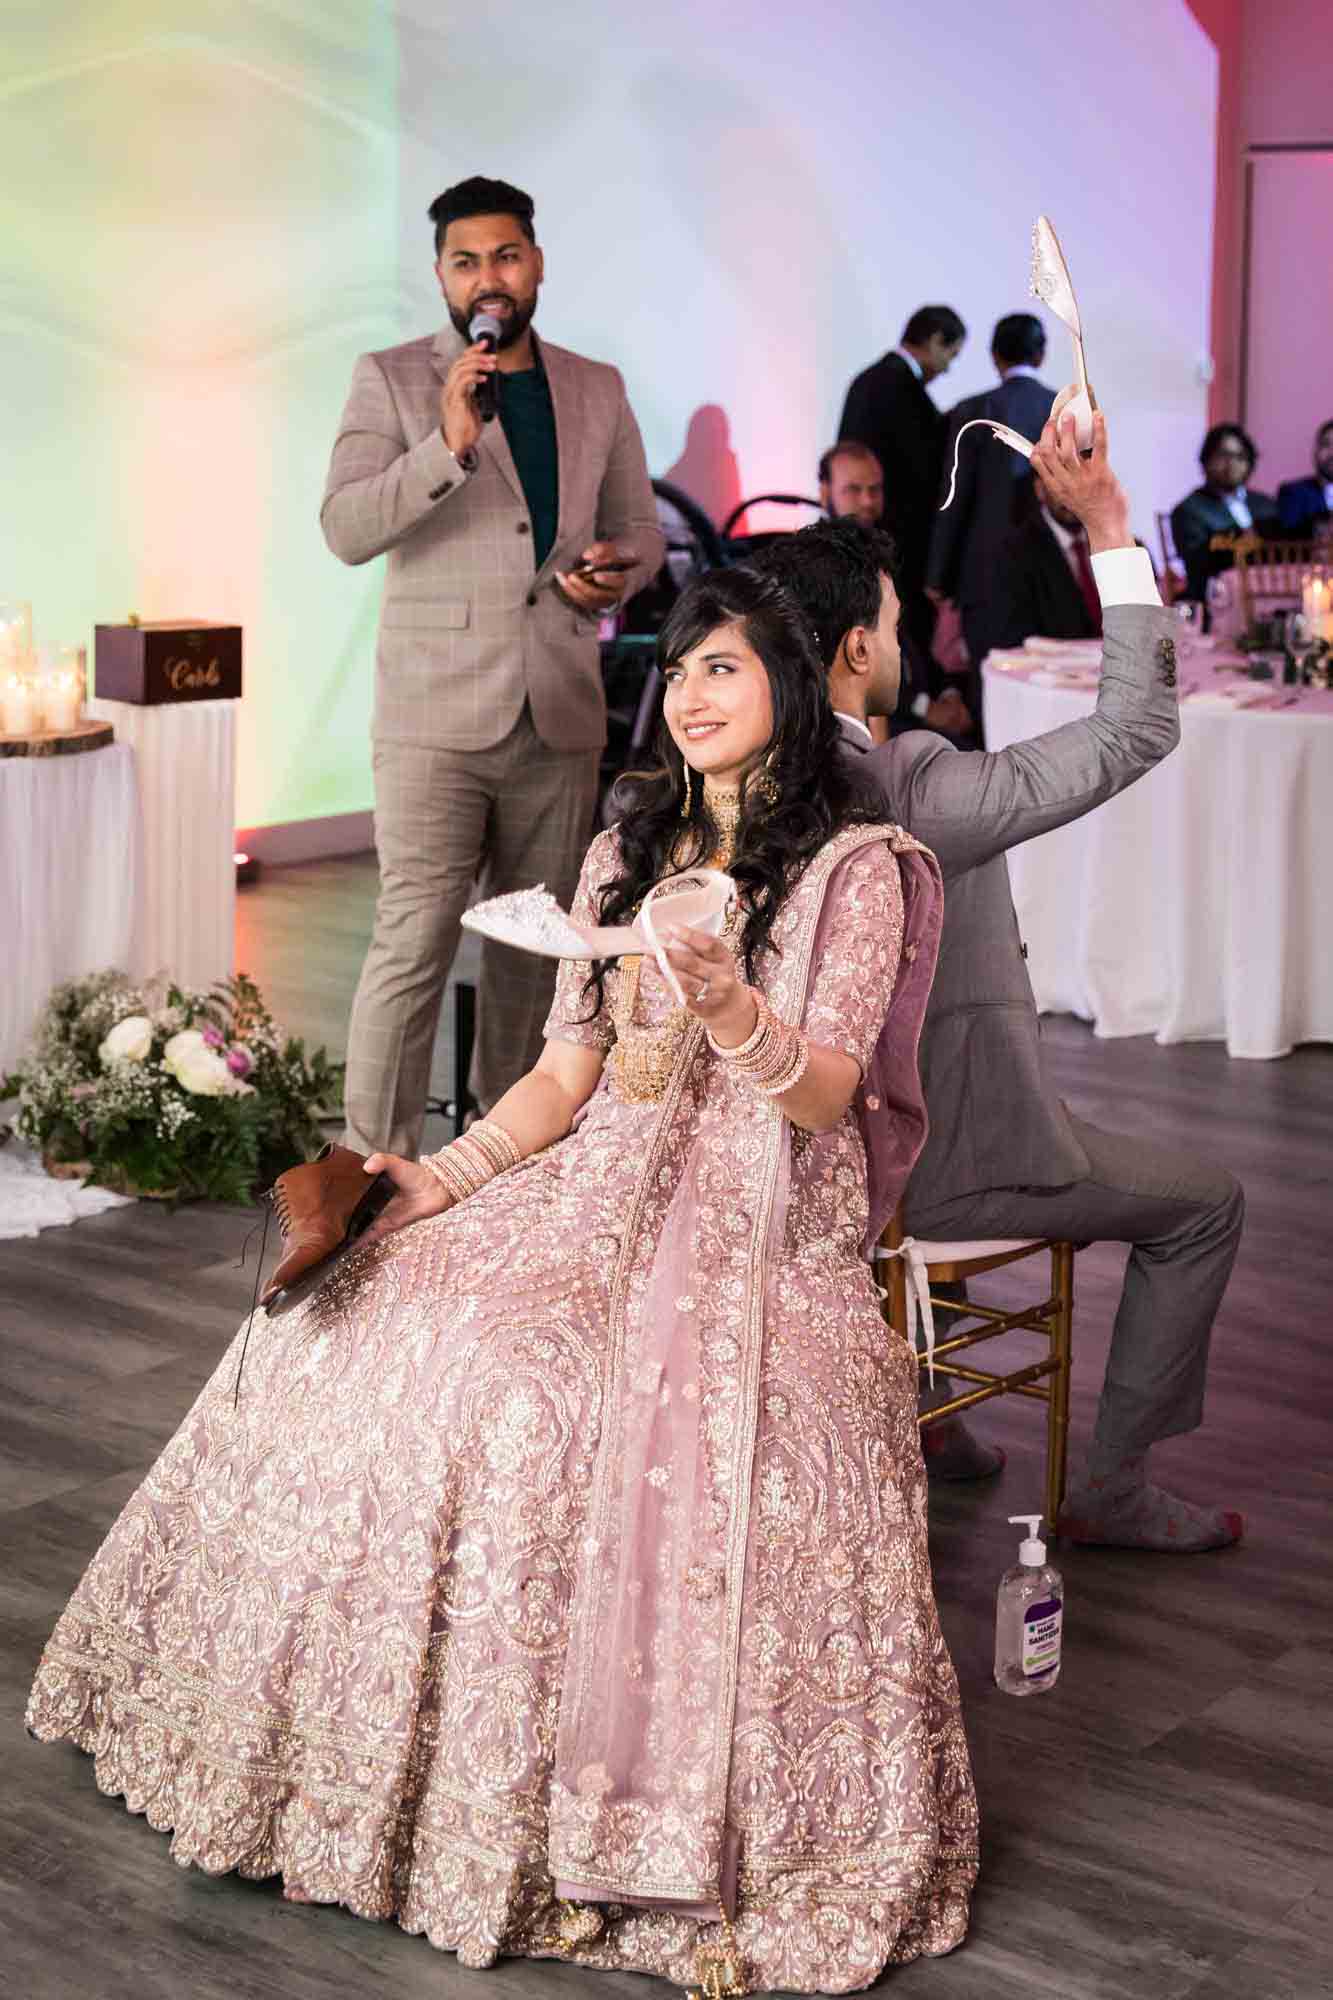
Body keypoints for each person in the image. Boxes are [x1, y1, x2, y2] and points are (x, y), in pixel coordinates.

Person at [28, 567, 978, 1994]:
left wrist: (729, 1006)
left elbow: (826, 1097)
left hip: (755, 1221)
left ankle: (572, 1820)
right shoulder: (622, 851)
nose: (700, 696)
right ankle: (309, 1763)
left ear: (789, 684)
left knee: (533, 1397)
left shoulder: (857, 870)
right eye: (683, 671)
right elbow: (564, 1073)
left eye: (729, 668)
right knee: (356, 1314)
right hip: (595, 1185)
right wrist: (442, 1179)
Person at [758, 412, 1247, 1553]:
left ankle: (931, 1414)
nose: (900, 637)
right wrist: (1112, 526)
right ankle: (1111, 1486)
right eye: (887, 622)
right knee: (1205, 1202)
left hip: (789, 1158)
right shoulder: (911, 784)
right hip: (923, 1166)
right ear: (852, 654)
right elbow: (1135, 727)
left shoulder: (730, 779)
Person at [322, 175, 664, 1156]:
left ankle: (497, 1166)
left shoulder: (596, 386)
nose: (489, 276)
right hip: (434, 717)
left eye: (506, 255)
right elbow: (345, 528)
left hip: (557, 711)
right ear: (440, 274)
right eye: (466, 260)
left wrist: (619, 571)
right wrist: (446, 442)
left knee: (535, 955)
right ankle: (371, 1170)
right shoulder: (390, 379)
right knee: (413, 942)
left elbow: (638, 526)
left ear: (538, 263)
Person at [838, 305, 967, 722]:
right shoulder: (898, 388)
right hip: (895, 547)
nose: (948, 369)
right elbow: (921, 474)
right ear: (933, 342)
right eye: (951, 354)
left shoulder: (872, 380)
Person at [927, 312, 1058, 683]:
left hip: (982, 575)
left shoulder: (972, 412)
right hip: (1052, 573)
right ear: (1041, 355)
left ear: (995, 356)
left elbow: (953, 497)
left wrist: (937, 573)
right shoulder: (1062, 410)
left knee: (990, 688)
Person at [821, 441, 970, 741]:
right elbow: (850, 670)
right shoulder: (819, 568)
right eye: (853, 490)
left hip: (917, 705)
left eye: (875, 490)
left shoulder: (887, 553)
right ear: (825, 493)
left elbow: (911, 641)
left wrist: (949, 693)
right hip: (877, 724)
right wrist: (925, 706)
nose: (866, 501)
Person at [990, 465, 1105, 650]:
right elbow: (1017, 641)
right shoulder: (1013, 554)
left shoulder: (1125, 545)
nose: (1072, 493)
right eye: (1061, 483)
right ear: (1039, 489)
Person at [1170, 423, 1279, 604]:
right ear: (1206, 460)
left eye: (1240, 456)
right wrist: (1244, 538)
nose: (1232, 463)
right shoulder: (1189, 510)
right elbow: (1198, 562)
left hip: (1270, 597)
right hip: (1216, 602)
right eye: (1223, 455)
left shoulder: (1266, 505)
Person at [1277, 418, 1333, 538]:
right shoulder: (1293, 493)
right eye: (1326, 445)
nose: (1332, 453)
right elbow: (1287, 538)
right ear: (1315, 451)